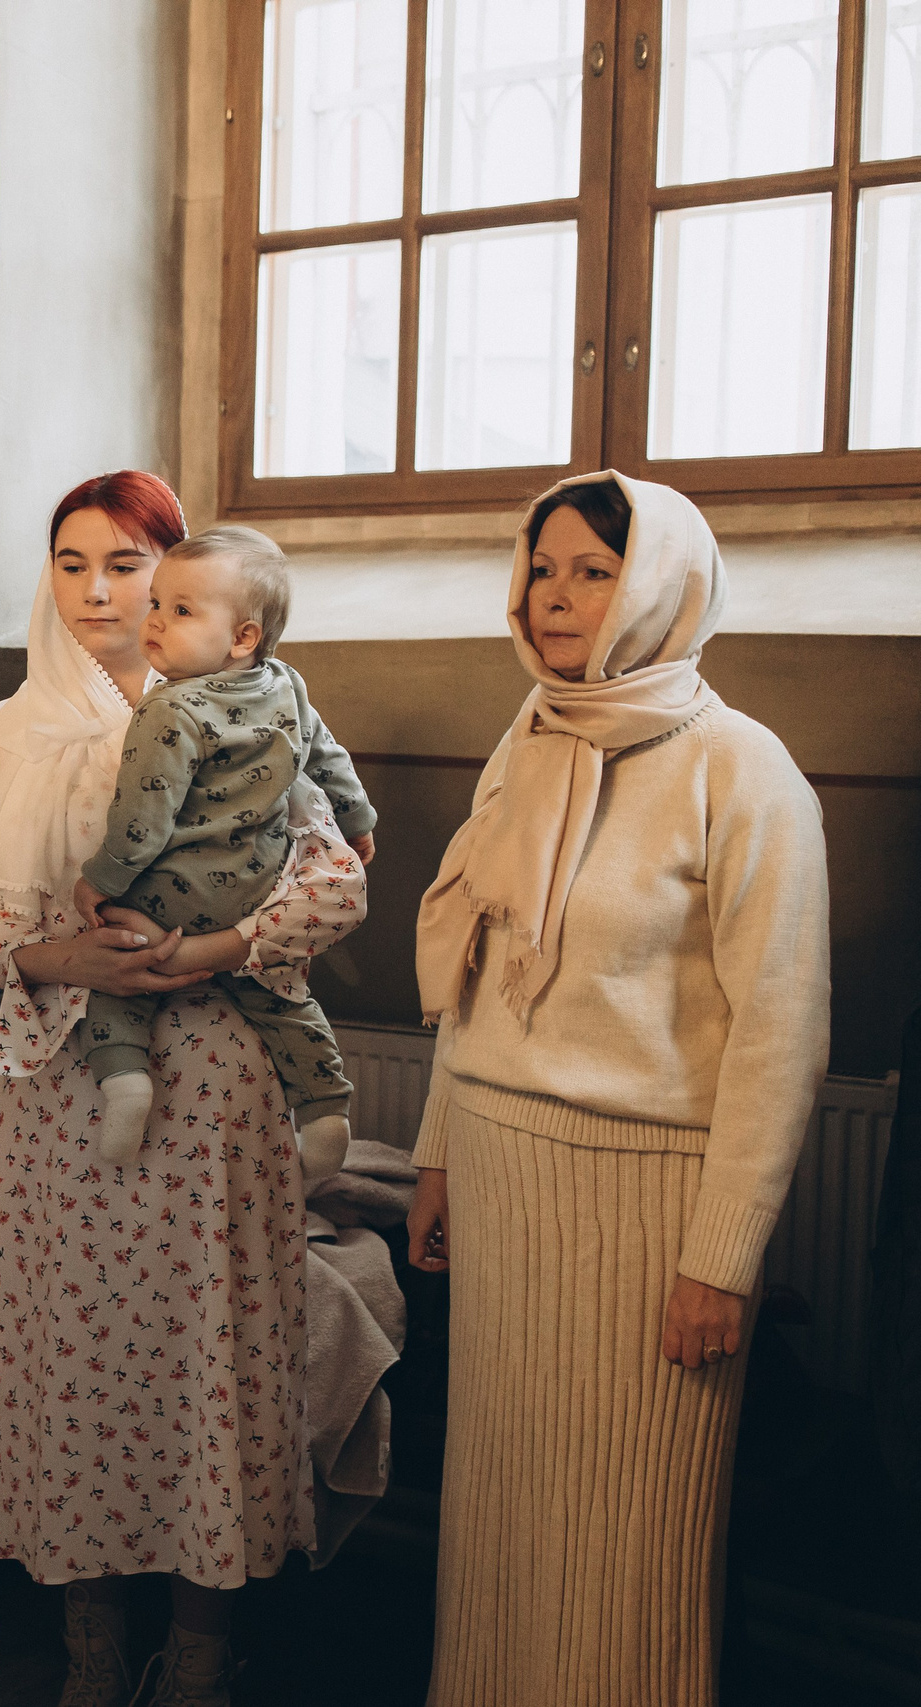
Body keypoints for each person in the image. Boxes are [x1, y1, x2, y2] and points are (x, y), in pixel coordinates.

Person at [0, 470, 368, 1707]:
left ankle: (197, 1657)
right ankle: (87, 1652)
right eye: (70, 563)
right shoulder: (20, 727)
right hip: (57, 1088)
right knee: (74, 1371)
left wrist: (216, 949)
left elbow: (335, 885)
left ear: (181, 583)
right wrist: (61, 957)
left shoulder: (248, 710)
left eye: (125, 565)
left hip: (212, 1087)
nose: (95, 592)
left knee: (199, 1368)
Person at [405, 471, 830, 1706]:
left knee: (632, 1550)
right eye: (542, 569)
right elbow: (477, 964)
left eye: (594, 572)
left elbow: (781, 1033)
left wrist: (722, 1260)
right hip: (502, 1177)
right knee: (498, 1528)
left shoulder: (740, 769)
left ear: (658, 588)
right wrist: (437, 1153)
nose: (554, 596)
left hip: (647, 1213)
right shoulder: (526, 740)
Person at [70, 525, 375, 1174]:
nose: (154, 620)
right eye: (157, 602)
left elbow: (143, 821)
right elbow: (327, 759)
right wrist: (358, 821)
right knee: (281, 999)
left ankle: (126, 1083)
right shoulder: (286, 684)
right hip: (260, 887)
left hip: (174, 894)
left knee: (117, 986)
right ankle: (326, 1109)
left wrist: (100, 880)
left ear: (243, 637)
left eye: (181, 610)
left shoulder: (169, 710)